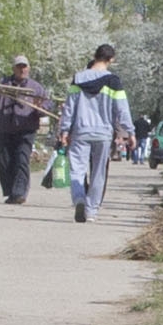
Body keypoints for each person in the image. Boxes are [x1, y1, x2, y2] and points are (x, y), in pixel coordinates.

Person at [58, 45, 138, 225]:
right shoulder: (113, 82)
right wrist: (130, 132)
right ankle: (91, 210)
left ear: (94, 56)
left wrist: (64, 130)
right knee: (98, 172)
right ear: (111, 60)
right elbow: (122, 110)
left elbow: (69, 107)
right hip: (103, 133)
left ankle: (79, 199)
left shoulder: (78, 79)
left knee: (77, 169)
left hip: (80, 131)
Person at [0, 58, 56, 208]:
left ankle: (20, 193)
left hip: (26, 130)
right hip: (5, 129)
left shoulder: (35, 87)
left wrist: (39, 107)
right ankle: (11, 192)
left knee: (22, 159)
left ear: (29, 68)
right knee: (5, 162)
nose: (22, 70)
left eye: (24, 67)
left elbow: (47, 105)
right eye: (19, 67)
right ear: (14, 68)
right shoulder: (3, 84)